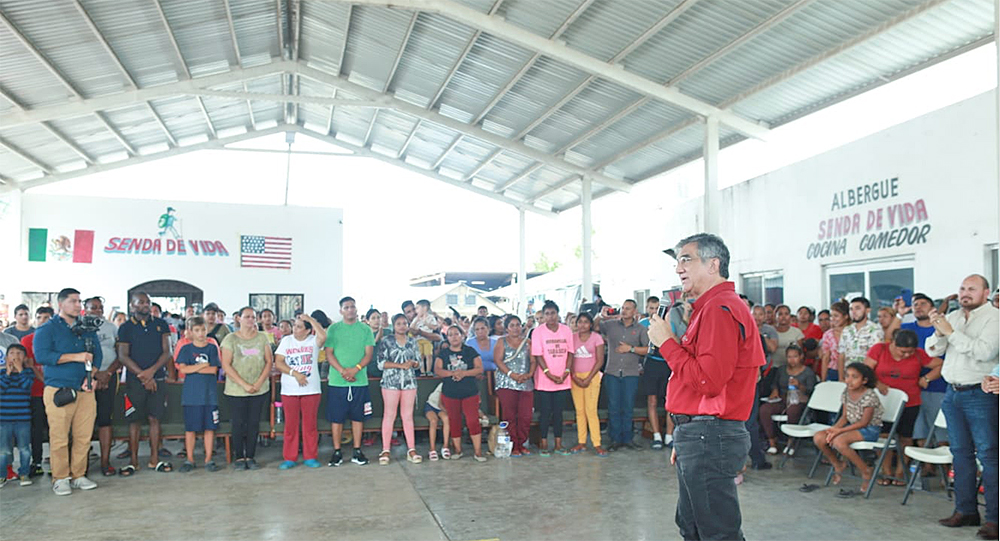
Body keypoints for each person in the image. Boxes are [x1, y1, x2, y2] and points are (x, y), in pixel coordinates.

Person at [647, 234, 763, 540]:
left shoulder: (719, 309)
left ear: (713, 265)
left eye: (686, 259)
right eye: (677, 261)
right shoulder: (711, 307)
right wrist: (687, 433)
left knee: (716, 532)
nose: (678, 268)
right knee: (693, 526)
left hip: (710, 433)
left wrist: (667, 344)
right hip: (701, 434)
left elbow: (707, 381)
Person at [925, 275, 999, 537]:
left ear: (986, 292)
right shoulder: (954, 317)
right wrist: (938, 330)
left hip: (981, 394)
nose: (965, 293)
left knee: (989, 456)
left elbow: (983, 352)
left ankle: (995, 520)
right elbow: (933, 351)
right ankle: (966, 510)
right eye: (962, 289)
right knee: (960, 454)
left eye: (972, 289)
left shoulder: (994, 318)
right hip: (952, 393)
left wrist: (951, 332)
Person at [34, 288, 102, 496]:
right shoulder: (47, 329)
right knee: (60, 436)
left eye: (79, 301)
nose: (78, 305)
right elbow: (42, 356)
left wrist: (91, 377)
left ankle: (78, 475)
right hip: (59, 390)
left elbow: (96, 356)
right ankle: (60, 478)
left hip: (85, 390)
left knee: (83, 435)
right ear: (61, 304)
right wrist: (75, 357)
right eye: (73, 301)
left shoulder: (87, 329)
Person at [863, 328, 941, 485]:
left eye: (910, 352)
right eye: (903, 351)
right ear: (893, 343)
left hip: (910, 401)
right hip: (883, 401)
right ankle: (886, 471)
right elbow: (866, 371)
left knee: (906, 437)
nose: (906, 355)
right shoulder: (879, 349)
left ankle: (900, 472)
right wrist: (878, 383)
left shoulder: (919, 354)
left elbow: (940, 364)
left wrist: (926, 378)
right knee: (883, 436)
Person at [117, 292, 173, 476]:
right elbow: (123, 356)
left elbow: (167, 352)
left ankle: (154, 459)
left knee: (155, 419)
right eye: (141, 302)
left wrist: (151, 373)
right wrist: (143, 375)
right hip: (135, 381)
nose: (145, 305)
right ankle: (133, 461)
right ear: (132, 306)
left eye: (147, 302)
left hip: (157, 379)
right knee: (134, 421)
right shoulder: (125, 327)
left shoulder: (161, 324)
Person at [813, 362, 884, 491]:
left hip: (869, 430)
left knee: (839, 441)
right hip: (851, 427)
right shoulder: (847, 392)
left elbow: (864, 423)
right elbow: (845, 416)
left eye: (855, 377)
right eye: (847, 376)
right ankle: (837, 464)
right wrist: (833, 429)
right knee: (819, 437)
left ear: (864, 380)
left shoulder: (870, 396)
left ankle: (865, 470)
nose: (849, 380)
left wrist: (839, 431)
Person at [324, 297, 375, 467]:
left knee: (357, 417)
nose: (350, 310)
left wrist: (356, 369)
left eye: (353, 307)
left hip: (359, 381)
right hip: (338, 382)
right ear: (341, 311)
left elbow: (368, 354)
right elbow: (329, 353)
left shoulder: (365, 329)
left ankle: (357, 450)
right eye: (346, 307)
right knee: (337, 419)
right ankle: (337, 451)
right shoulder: (333, 329)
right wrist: (342, 371)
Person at [221, 307, 273, 470]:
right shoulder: (230, 339)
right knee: (238, 423)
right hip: (236, 389)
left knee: (253, 423)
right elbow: (226, 365)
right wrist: (244, 384)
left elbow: (269, 362)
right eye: (247, 316)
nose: (250, 320)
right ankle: (239, 457)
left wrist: (257, 384)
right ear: (239, 318)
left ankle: (250, 455)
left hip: (259, 388)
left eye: (253, 317)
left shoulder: (262, 338)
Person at [274, 313, 327, 470]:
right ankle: (290, 457)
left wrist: (311, 320)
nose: (294, 329)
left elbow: (323, 336)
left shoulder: (313, 341)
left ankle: (310, 456)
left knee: (310, 426)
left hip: (311, 390)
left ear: (307, 330)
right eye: (294, 326)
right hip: (290, 390)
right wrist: (295, 374)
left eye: (298, 326)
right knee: (291, 426)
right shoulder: (286, 341)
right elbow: (279, 362)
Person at [597, 300, 649, 451]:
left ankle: (628, 439)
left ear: (634, 311)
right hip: (612, 372)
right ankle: (615, 440)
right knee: (613, 407)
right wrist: (601, 314)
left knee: (628, 407)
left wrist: (630, 349)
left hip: (630, 373)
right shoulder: (611, 325)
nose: (624, 311)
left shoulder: (640, 329)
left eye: (628, 308)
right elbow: (594, 326)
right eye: (623, 308)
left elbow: (647, 349)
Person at [174, 317, 222, 473]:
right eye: (196, 330)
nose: (200, 333)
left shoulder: (212, 348)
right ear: (190, 332)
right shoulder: (186, 349)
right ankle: (190, 459)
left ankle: (208, 459)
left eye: (203, 329)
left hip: (209, 395)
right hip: (191, 396)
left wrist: (193, 367)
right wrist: (202, 365)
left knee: (209, 428)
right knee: (191, 429)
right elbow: (183, 369)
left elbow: (213, 370)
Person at [902, 293, 949, 449]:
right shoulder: (907, 328)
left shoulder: (942, 328)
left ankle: (945, 469)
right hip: (913, 388)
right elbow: (890, 336)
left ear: (932, 309)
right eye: (915, 304)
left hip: (938, 386)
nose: (918, 307)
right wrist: (898, 313)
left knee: (942, 432)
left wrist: (927, 378)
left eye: (923, 304)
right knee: (920, 431)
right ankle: (926, 467)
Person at [375, 314, 422, 466]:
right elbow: (381, 363)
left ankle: (411, 449)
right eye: (399, 323)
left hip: (409, 382)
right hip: (390, 382)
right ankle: (385, 449)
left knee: (407, 416)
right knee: (389, 415)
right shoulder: (386, 341)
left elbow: (419, 362)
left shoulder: (413, 342)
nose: (402, 326)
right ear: (393, 326)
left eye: (405, 323)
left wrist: (413, 363)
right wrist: (400, 366)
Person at [434, 325, 486, 461]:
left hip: (470, 392)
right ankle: (457, 450)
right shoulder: (443, 353)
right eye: (450, 335)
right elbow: (438, 370)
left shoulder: (470, 351)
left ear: (462, 335)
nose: (454, 337)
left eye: (456, 334)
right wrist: (452, 373)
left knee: (472, 420)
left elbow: (479, 369)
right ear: (447, 338)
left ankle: (478, 452)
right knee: (454, 421)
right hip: (450, 393)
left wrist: (464, 373)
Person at [530, 300, 574, 456]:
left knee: (558, 413)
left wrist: (566, 372)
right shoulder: (538, 332)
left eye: (553, 313)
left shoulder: (566, 330)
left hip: (563, 379)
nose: (550, 317)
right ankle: (543, 443)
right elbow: (538, 355)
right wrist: (549, 373)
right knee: (545, 413)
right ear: (543, 315)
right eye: (547, 314)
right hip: (544, 380)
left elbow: (570, 352)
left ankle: (558, 444)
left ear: (558, 314)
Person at [84, 297, 120, 477]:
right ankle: (82, 464)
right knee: (85, 421)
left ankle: (106, 462)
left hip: (109, 377)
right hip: (87, 379)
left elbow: (120, 354)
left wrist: (107, 374)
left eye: (100, 308)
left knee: (106, 419)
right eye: (93, 308)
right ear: (85, 309)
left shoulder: (111, 327)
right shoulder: (80, 327)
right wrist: (95, 375)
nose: (97, 311)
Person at [759, 344, 816, 455]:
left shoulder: (808, 372)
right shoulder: (781, 370)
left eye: (795, 356)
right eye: (789, 357)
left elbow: (811, 390)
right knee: (764, 409)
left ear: (801, 357)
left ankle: (791, 442)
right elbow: (775, 384)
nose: (792, 360)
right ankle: (772, 441)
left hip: (799, 400)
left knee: (793, 410)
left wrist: (799, 385)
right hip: (783, 398)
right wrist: (775, 390)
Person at [493, 315, 535, 457]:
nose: (516, 328)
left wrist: (529, 374)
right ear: (506, 328)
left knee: (526, 416)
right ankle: (513, 445)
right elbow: (498, 361)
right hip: (506, 383)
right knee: (509, 415)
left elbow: (533, 361)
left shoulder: (528, 342)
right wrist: (512, 375)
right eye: (512, 325)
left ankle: (522, 443)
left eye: (518, 324)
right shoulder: (501, 341)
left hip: (525, 382)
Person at [20, 306, 53, 477]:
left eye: (47, 317)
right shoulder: (27, 340)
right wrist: (48, 381)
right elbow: (30, 366)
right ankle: (37, 462)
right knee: (37, 430)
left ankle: (57, 463)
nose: (43, 321)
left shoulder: (57, 339)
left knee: (56, 430)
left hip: (56, 392)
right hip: (36, 393)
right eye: (39, 317)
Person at [569, 312, 605, 456]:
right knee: (579, 411)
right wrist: (574, 376)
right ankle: (581, 442)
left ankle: (597, 443)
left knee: (591, 410)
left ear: (591, 324)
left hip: (593, 377)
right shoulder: (571, 338)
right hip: (575, 378)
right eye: (580, 322)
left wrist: (589, 377)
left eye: (586, 322)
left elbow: (600, 360)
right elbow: (569, 359)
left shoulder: (597, 338)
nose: (582, 325)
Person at [640, 296, 672, 450]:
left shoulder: (669, 323)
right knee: (652, 401)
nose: (654, 311)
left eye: (657, 308)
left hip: (668, 364)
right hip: (651, 364)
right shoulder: (643, 324)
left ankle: (669, 436)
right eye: (652, 308)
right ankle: (656, 435)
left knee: (670, 402)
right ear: (647, 309)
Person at [1, 344, 34, 487]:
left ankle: (24, 473)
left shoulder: (28, 373)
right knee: (3, 450)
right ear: (6, 357)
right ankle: (2, 475)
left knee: (24, 448)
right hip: (4, 419)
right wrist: (8, 373)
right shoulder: (2, 374)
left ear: (24, 358)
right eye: (12, 353)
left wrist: (20, 370)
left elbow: (27, 386)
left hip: (23, 419)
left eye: (19, 354)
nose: (15, 356)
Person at [839, 296, 884, 368]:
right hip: (848, 374)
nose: (853, 312)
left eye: (857, 308)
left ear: (867, 310)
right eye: (851, 309)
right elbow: (841, 355)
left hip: (866, 374)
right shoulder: (846, 330)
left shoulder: (875, 330)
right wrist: (841, 377)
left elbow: (876, 357)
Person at [819, 302, 849, 382]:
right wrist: (823, 380)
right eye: (831, 316)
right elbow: (826, 358)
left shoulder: (852, 332)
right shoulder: (828, 334)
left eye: (836, 316)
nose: (833, 319)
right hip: (833, 371)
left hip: (850, 371)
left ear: (846, 316)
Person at [423, 383, 451, 461]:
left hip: (442, 408)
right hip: (431, 405)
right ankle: (432, 449)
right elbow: (440, 404)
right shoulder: (445, 384)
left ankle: (445, 446)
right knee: (433, 421)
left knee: (446, 418)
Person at [772, 305, 804, 369]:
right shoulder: (770, 331)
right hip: (773, 367)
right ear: (775, 316)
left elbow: (801, 353)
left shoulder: (797, 332)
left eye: (786, 314)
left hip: (792, 368)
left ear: (790, 316)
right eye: (780, 314)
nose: (783, 317)